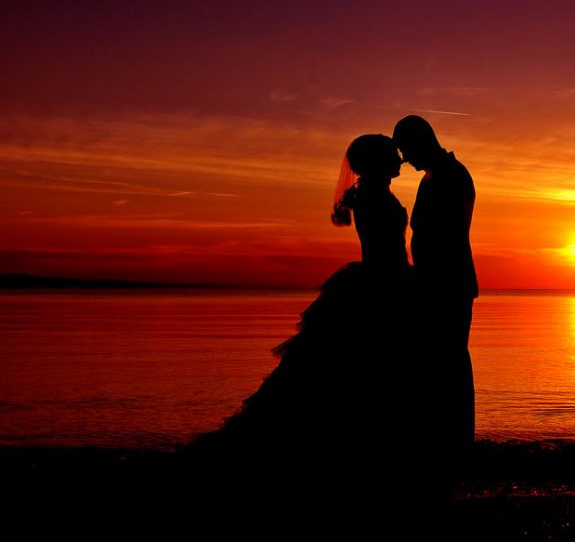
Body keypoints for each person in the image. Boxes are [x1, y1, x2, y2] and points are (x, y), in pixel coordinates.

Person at [183, 134, 412, 518]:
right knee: (356, 373)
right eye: (393, 155)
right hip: (381, 286)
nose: (400, 160)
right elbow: (384, 249)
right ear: (376, 161)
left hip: (386, 281)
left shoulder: (372, 192)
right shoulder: (373, 195)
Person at [392, 115, 477, 490]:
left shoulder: (452, 176)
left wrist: (424, 278)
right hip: (432, 283)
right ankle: (442, 441)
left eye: (406, 149)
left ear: (422, 141)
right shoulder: (434, 175)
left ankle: (455, 445)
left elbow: (446, 236)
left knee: (450, 362)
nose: (404, 159)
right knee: (438, 365)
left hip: (447, 284)